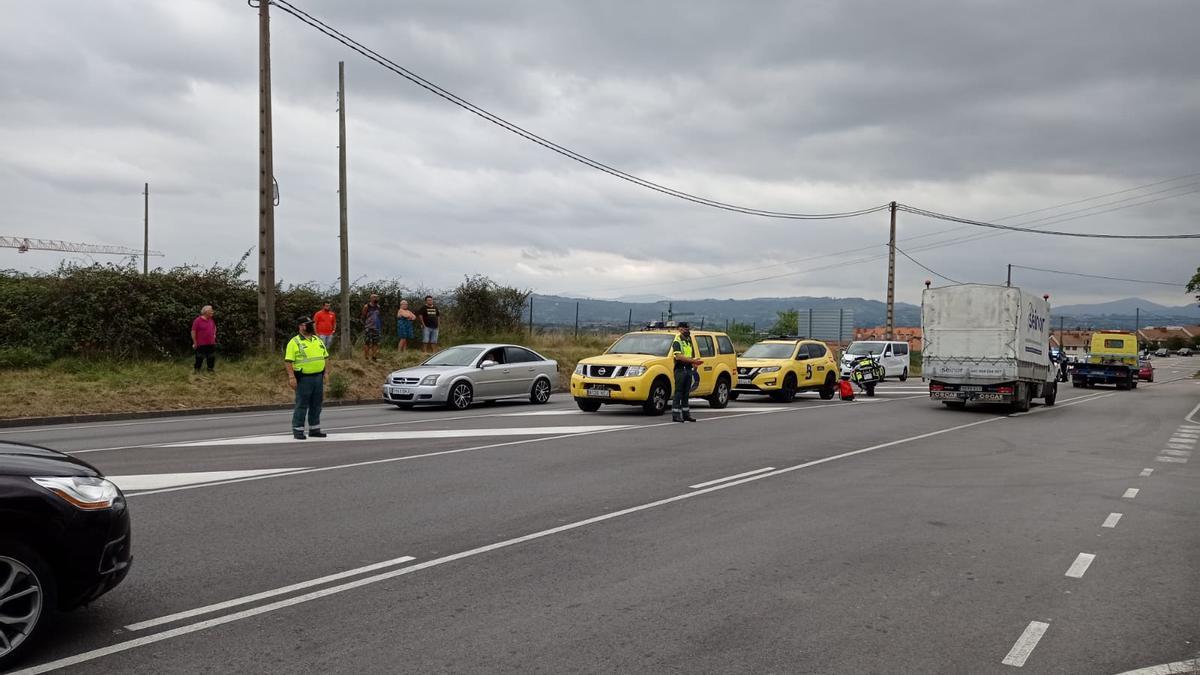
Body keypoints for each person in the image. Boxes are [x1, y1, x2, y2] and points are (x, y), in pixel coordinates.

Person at [284, 315, 330, 440]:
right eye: (307, 324)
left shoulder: (317, 340)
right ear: (300, 326)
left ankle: (315, 429)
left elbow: (325, 357)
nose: (310, 325)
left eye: (311, 323)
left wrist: (326, 373)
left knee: (317, 404)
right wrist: (291, 377)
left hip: (318, 377)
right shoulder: (294, 342)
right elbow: (288, 361)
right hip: (304, 378)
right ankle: (298, 429)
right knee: (302, 404)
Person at [670, 322, 703, 422]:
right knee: (679, 392)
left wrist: (694, 364)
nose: (687, 330)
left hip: (688, 369)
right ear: (680, 329)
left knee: (686, 393)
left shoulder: (688, 341)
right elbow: (678, 356)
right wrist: (693, 361)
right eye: (685, 328)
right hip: (680, 369)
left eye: (688, 328)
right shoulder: (677, 341)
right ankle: (676, 415)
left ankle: (686, 414)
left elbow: (689, 356)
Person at [190, 305, 217, 374]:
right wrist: (195, 342)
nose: (212, 312)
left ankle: (210, 369)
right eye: (211, 311)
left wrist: (214, 334)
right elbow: (193, 331)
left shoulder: (211, 320)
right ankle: (197, 370)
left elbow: (214, 327)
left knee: (211, 357)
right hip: (201, 343)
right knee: (199, 358)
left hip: (211, 343)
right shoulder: (198, 320)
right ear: (206, 312)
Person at [361, 294, 382, 361]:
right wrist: (366, 324)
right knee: (367, 342)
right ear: (371, 298)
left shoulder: (378, 306)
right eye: (374, 297)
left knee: (375, 342)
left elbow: (379, 316)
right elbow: (363, 316)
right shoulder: (367, 306)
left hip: (376, 327)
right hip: (368, 327)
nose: (376, 299)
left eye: (377, 297)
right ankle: (366, 357)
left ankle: (374, 356)